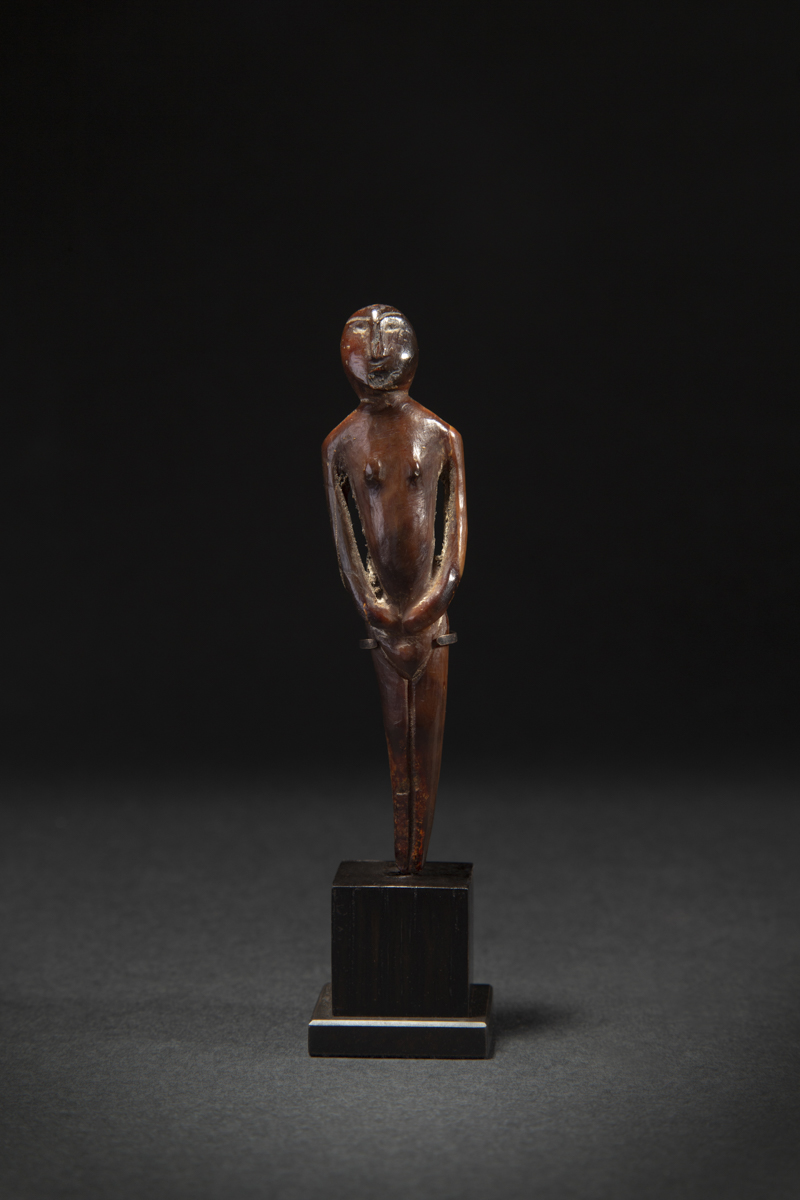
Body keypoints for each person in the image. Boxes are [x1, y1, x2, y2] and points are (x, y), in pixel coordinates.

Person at [322, 304, 467, 873]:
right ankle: (404, 858)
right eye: (364, 335)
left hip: (432, 616)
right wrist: (371, 605)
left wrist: (436, 599)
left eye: (390, 335)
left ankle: (416, 855)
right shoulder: (341, 443)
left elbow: (455, 538)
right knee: (396, 731)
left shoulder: (439, 435)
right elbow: (345, 540)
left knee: (425, 735)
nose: (378, 350)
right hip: (382, 620)